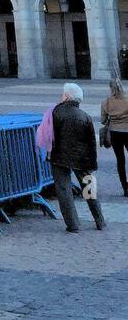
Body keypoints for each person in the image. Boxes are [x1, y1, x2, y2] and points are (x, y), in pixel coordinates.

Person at [49, 82, 105, 232]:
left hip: (59, 157)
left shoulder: (56, 112)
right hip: (83, 159)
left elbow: (50, 136)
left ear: (66, 96)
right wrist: (93, 164)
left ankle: (73, 225)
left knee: (64, 190)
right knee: (89, 189)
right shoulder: (85, 116)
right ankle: (100, 221)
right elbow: (92, 143)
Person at [100, 75, 128, 197]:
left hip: (115, 133)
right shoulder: (127, 100)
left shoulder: (106, 102)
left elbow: (103, 120)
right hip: (127, 131)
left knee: (120, 160)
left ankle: (125, 187)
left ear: (110, 89)